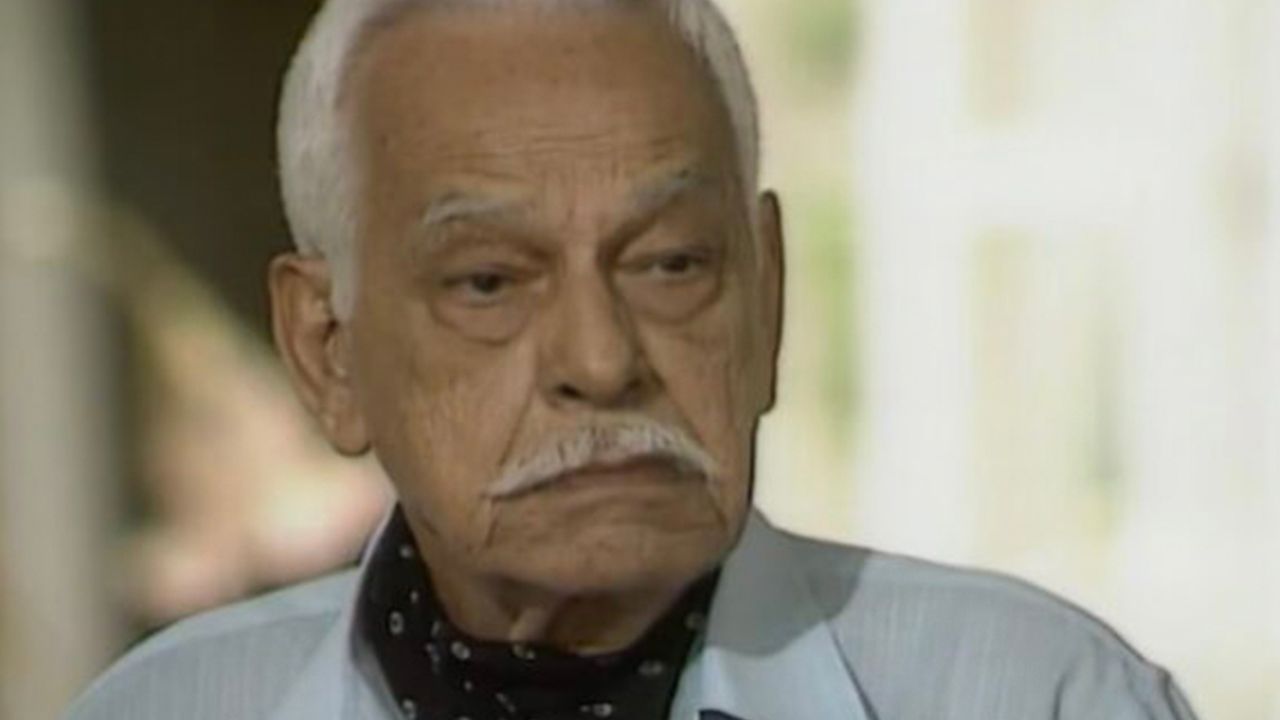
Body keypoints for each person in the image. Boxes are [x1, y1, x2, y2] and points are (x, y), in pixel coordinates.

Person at [67, 0, 1200, 718]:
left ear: (766, 298)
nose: (603, 361)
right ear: (328, 352)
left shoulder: (1035, 694)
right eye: (489, 282)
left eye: (670, 265)